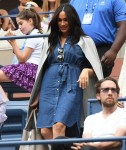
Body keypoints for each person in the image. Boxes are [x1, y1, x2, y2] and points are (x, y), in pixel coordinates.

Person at [25, 3, 103, 144]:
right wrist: (37, 94)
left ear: (72, 20)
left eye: (66, 20)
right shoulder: (49, 41)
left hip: (72, 85)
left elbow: (97, 69)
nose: (62, 23)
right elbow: (42, 68)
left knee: (59, 125)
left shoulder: (85, 40)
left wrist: (86, 70)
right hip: (48, 85)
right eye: (59, 20)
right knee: (45, 130)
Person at [70, 0, 126, 77]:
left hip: (101, 49)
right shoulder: (74, 1)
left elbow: (124, 25)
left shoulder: (116, 1)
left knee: (95, 84)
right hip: (76, 48)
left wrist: (114, 51)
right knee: (74, 82)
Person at [71, 77, 126, 150]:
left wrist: (91, 147)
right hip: (89, 148)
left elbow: (117, 141)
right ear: (98, 96)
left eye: (113, 90)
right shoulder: (90, 119)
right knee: (60, 141)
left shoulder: (124, 114)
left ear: (118, 95)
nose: (110, 93)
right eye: (105, 90)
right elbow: (87, 140)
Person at [0, 8, 44, 93]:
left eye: (21, 23)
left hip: (30, 70)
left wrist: (13, 42)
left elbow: (22, 59)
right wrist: (12, 43)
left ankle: (2, 103)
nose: (19, 27)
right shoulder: (35, 34)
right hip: (31, 69)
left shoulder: (33, 36)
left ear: (30, 21)